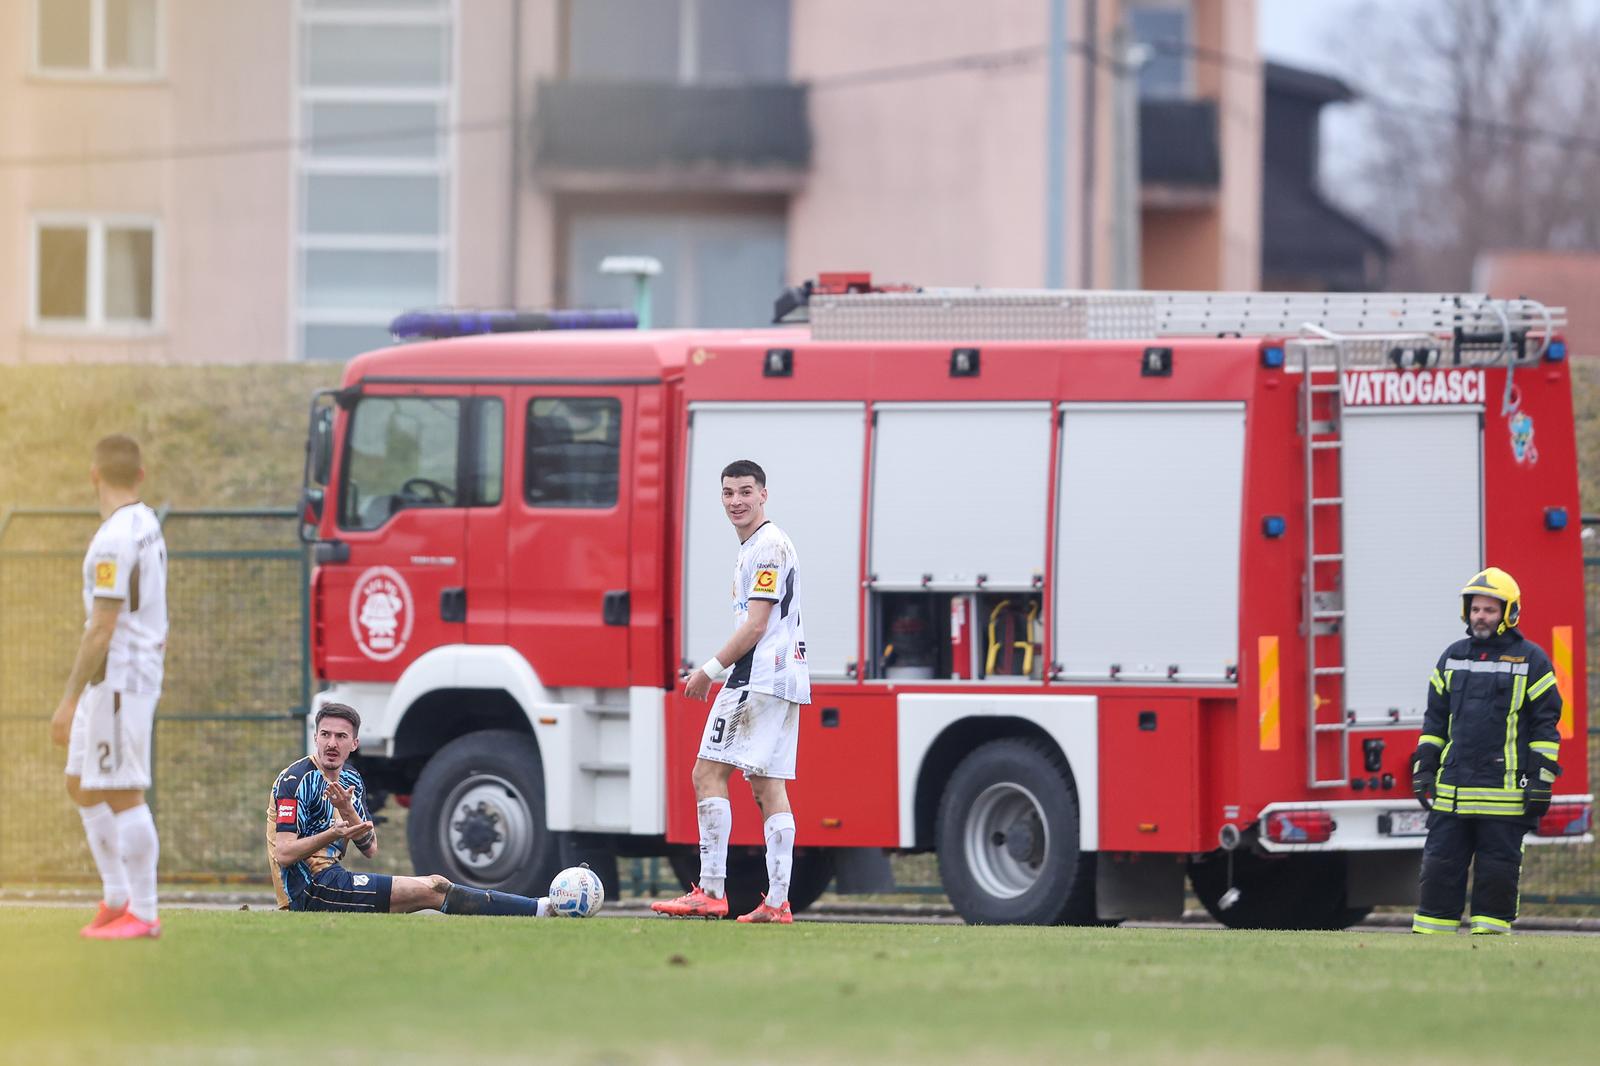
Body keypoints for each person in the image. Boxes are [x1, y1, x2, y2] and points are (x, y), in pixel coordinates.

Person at [652, 460, 810, 924]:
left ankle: (712, 890)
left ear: (764, 494)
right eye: (728, 493)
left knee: (706, 774)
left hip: (757, 677)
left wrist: (709, 670)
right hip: (786, 679)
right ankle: (778, 903)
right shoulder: (760, 547)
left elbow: (758, 624)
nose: (736, 501)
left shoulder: (767, 548)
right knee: (767, 785)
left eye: (745, 491)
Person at [269, 703, 559, 917]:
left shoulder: (351, 779)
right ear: (316, 737)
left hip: (334, 880)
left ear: (354, 743)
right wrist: (332, 832)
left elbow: (369, 848)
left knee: (435, 887)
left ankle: (538, 908)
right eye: (325, 735)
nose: (332, 743)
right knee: (433, 888)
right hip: (308, 891)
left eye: (341, 737)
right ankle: (540, 908)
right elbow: (284, 853)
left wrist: (348, 811)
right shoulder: (296, 780)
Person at [48, 435, 167, 940]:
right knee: (81, 781)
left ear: (94, 475)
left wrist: (69, 698)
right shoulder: (148, 523)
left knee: (121, 790)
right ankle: (117, 896)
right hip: (125, 675)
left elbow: (102, 625)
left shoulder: (112, 539)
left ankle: (144, 911)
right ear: (140, 475)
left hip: (117, 679)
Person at [1410, 568, 1563, 935]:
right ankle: (1431, 942)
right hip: (1453, 795)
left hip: (1505, 796)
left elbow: (1545, 727)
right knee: (1439, 869)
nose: (1480, 616)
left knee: (1497, 873)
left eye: (1489, 610)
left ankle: (1490, 946)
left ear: (1508, 614)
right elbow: (1434, 721)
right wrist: (1424, 767)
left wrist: (1541, 780)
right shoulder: (1451, 657)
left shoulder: (1533, 661)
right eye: (1476, 609)